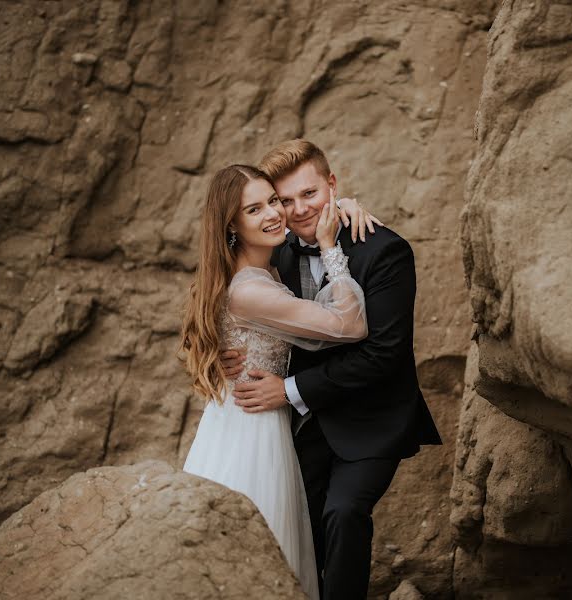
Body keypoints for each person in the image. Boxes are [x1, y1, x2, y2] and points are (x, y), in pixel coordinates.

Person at [222, 140, 442, 599]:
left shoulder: (385, 251)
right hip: (305, 424)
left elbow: (384, 353)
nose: (299, 210)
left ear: (333, 185)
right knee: (289, 514)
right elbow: (222, 305)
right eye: (286, 200)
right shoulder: (274, 251)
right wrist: (224, 352)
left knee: (342, 513)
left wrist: (289, 389)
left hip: (372, 418)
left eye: (311, 194)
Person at [179, 164, 377, 600]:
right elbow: (351, 323)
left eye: (273, 200)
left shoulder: (258, 271)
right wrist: (329, 246)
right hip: (253, 430)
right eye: (254, 209)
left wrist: (342, 206)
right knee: (259, 547)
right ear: (232, 223)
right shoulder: (250, 289)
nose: (273, 213)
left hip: (247, 418)